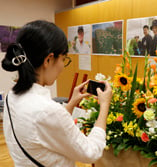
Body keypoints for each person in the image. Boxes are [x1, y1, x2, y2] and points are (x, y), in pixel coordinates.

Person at [1, 20, 112, 166]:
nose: (62, 67)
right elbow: (90, 152)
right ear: (48, 59)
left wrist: (71, 102)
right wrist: (104, 106)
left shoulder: (12, 96)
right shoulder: (47, 110)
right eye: (63, 59)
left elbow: (45, 128)